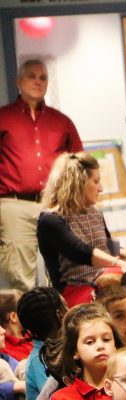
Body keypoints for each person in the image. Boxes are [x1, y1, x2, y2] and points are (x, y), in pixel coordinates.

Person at [0, 60, 83, 291]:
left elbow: (78, 165)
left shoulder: (61, 122)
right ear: (19, 82)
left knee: (61, 268)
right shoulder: (4, 118)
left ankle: (57, 322)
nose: (38, 81)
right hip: (14, 204)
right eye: (31, 76)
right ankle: (23, 324)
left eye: (43, 77)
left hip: (54, 205)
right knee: (18, 274)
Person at [36, 153, 126, 305]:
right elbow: (79, 251)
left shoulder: (94, 211)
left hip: (104, 277)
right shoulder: (50, 220)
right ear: (78, 183)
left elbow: (103, 243)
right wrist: (117, 262)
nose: (101, 188)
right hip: (76, 287)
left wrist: (122, 252)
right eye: (96, 181)